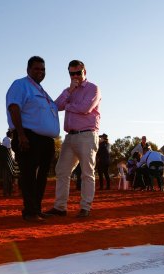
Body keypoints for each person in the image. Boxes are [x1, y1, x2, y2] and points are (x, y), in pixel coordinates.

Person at [6, 56, 59, 222]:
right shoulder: (20, 85)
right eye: (36, 69)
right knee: (29, 175)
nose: (40, 72)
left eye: (43, 69)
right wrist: (21, 134)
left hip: (46, 141)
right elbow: (14, 107)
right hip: (28, 137)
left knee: (41, 176)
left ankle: (37, 209)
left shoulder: (42, 91)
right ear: (28, 70)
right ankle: (30, 212)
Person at [45, 60, 101, 218]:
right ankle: (60, 207)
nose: (75, 76)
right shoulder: (69, 90)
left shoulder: (93, 89)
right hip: (70, 136)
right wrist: (69, 91)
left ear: (85, 71)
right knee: (61, 171)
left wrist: (68, 106)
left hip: (87, 135)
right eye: (72, 73)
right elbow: (55, 106)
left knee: (87, 172)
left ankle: (85, 208)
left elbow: (85, 108)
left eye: (78, 72)